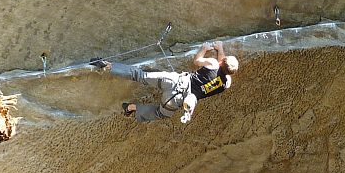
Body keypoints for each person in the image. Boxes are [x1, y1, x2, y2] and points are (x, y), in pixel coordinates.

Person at [92, 41, 239, 124]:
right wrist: (221, 52)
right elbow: (223, 67)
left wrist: (205, 49)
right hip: (175, 100)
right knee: (160, 114)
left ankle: (109, 66)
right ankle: (131, 107)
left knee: (141, 75)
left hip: (174, 81)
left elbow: (197, 61)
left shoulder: (213, 63)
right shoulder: (226, 84)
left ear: (222, 62)